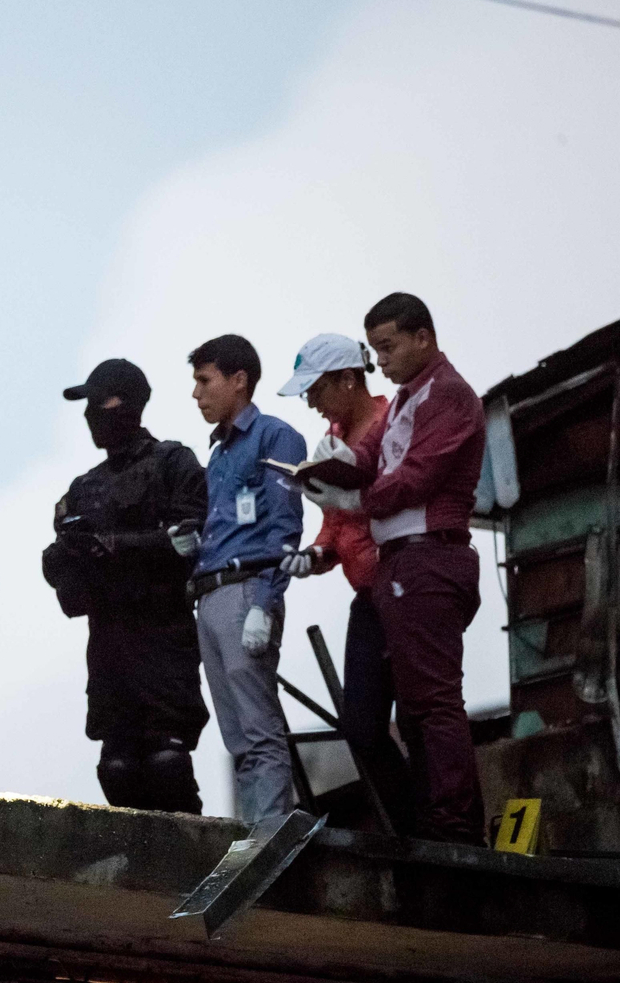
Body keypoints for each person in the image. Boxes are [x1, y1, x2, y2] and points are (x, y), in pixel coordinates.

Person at [298, 294, 486, 844]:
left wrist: (352, 497)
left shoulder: (449, 394)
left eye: (387, 347)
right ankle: (436, 823)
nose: (380, 360)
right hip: (405, 561)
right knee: (417, 709)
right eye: (375, 349)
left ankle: (454, 825)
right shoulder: (407, 397)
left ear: (422, 337)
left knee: (432, 702)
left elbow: (417, 477)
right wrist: (329, 467)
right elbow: (369, 457)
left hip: (429, 555)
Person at [42, 360, 209, 813]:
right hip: (109, 643)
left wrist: (115, 546)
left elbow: (189, 541)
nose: (92, 415)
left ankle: (193, 852)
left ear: (131, 404)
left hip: (163, 635)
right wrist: (76, 553)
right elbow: (58, 567)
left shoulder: (173, 462)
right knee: (117, 767)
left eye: (102, 402)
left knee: (166, 762)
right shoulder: (85, 486)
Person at [275, 333, 417, 834]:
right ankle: (410, 830)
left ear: (348, 379)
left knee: (421, 717)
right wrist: (317, 553)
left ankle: (443, 831)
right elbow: (338, 523)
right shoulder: (333, 436)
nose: (311, 402)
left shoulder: (392, 423)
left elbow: (402, 498)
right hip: (369, 597)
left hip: (408, 587)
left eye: (316, 389)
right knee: (361, 727)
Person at [185, 334, 306, 824]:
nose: (196, 393)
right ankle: (257, 832)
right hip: (212, 595)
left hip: (246, 590)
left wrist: (265, 600)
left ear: (239, 380)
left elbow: (285, 527)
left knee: (258, 729)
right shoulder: (219, 452)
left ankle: (271, 836)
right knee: (237, 737)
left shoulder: (275, 436)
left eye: (204, 380)